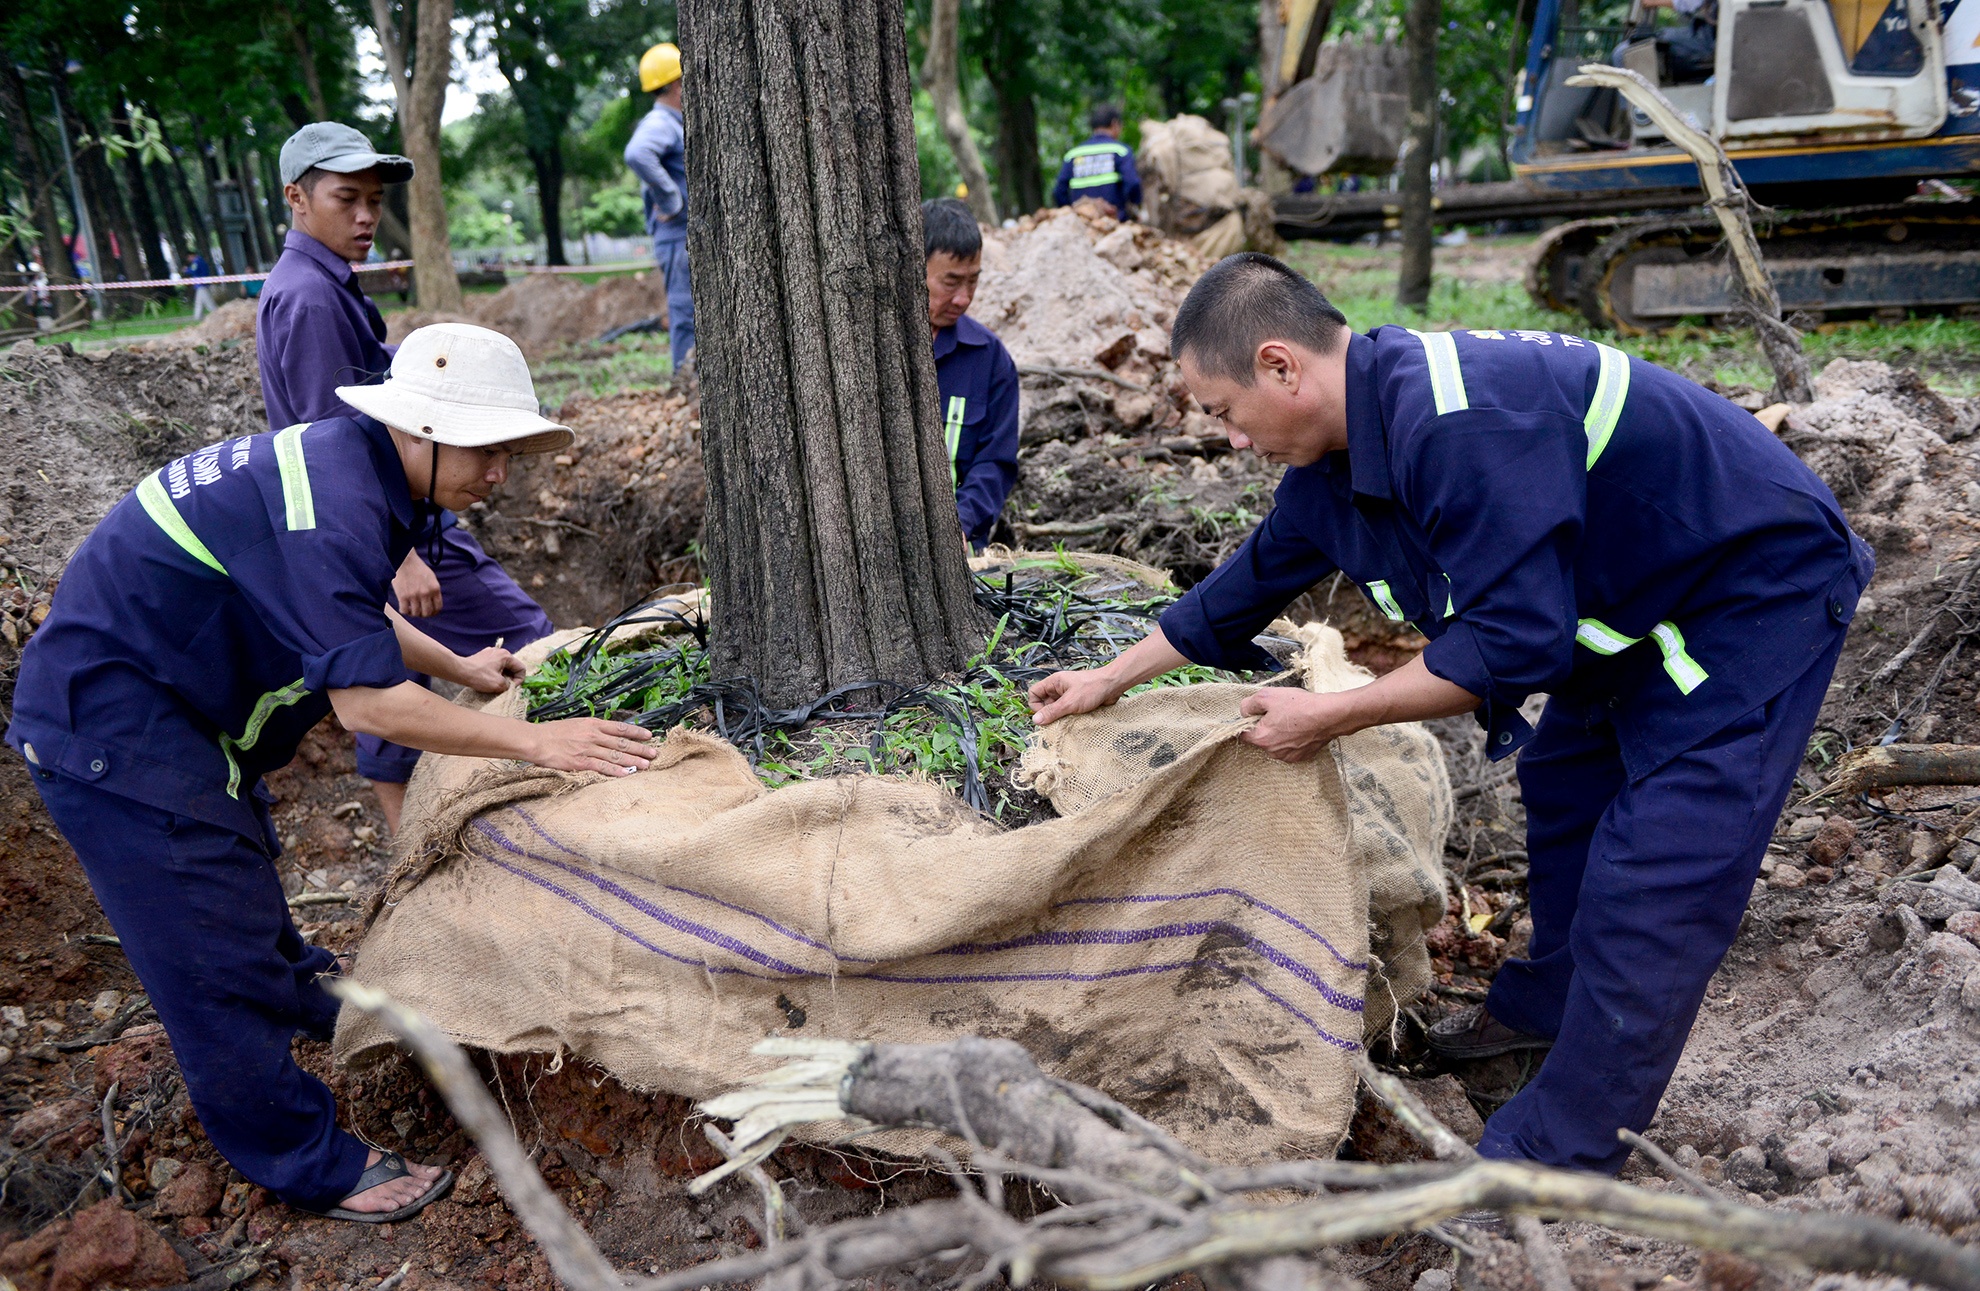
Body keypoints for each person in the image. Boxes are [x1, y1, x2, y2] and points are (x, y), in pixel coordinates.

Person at [1027, 253, 1873, 1176]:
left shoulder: (1465, 421)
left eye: (1225, 414)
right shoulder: (1345, 447)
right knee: (1564, 785)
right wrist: (1111, 676)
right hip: (1631, 595)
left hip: (1747, 588)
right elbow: (1251, 579)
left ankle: (1556, 1155)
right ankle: (1539, 1024)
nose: (1231, 441)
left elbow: (1512, 646)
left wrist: (1332, 713)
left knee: (1654, 875)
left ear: (1281, 366)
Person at [7, 322, 656, 1224]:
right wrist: (544, 743)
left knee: (236, 861)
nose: (500, 471)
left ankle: (300, 994)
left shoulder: (348, 468)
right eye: (487, 448)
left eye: (509, 449)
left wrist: (465, 667)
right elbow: (371, 706)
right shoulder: (333, 502)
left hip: (175, 709)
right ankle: (302, 1156)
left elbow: (348, 615)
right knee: (204, 938)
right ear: (421, 429)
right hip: (110, 724)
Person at [261, 121, 559, 833]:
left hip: (393, 512)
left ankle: (410, 842)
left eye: (373, 199)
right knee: (530, 639)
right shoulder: (307, 297)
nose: (366, 216)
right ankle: (549, 798)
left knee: (395, 661)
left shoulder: (326, 284)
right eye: (346, 199)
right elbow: (325, 436)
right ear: (296, 198)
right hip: (383, 520)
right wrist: (404, 558)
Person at [921, 197, 1019, 552]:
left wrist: (958, 526)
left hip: (961, 546)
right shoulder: (866, 352)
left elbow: (995, 462)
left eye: (973, 282)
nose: (963, 299)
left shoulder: (989, 359)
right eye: (950, 282)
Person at [624, 42, 694, 371]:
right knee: (684, 312)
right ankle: (684, 382)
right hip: (675, 236)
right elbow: (637, 153)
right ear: (677, 85)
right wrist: (671, 199)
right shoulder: (661, 122)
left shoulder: (673, 120)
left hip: (682, 236)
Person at [1052, 104, 1142, 220]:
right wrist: (1133, 206)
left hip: (1081, 223)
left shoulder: (1073, 155)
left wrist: (1071, 213)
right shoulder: (1120, 151)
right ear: (1115, 124)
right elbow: (1132, 183)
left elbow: (1059, 191)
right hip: (1114, 222)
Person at [187, 249, 217, 321]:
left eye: (189, 257)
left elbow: (193, 270)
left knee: (209, 304)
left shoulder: (197, 262)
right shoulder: (201, 261)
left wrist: (186, 270)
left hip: (201, 285)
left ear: (191, 256)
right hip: (201, 285)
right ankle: (198, 317)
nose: (189, 259)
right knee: (199, 303)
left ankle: (218, 314)